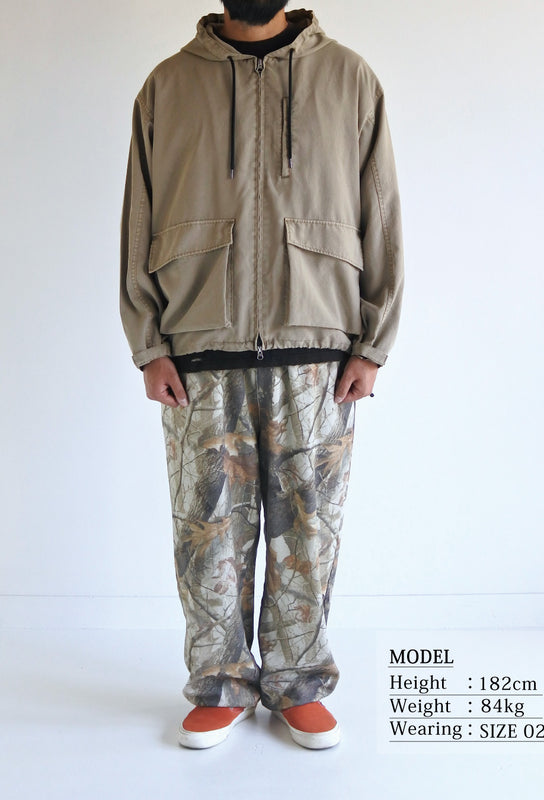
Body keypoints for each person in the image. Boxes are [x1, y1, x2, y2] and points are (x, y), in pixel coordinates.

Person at [119, 1, 404, 750]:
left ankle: (297, 681)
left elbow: (381, 211)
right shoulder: (168, 84)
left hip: (318, 347)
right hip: (198, 348)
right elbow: (139, 215)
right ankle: (221, 683)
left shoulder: (348, 78)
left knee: (308, 533)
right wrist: (149, 342)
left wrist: (372, 343)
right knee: (205, 534)